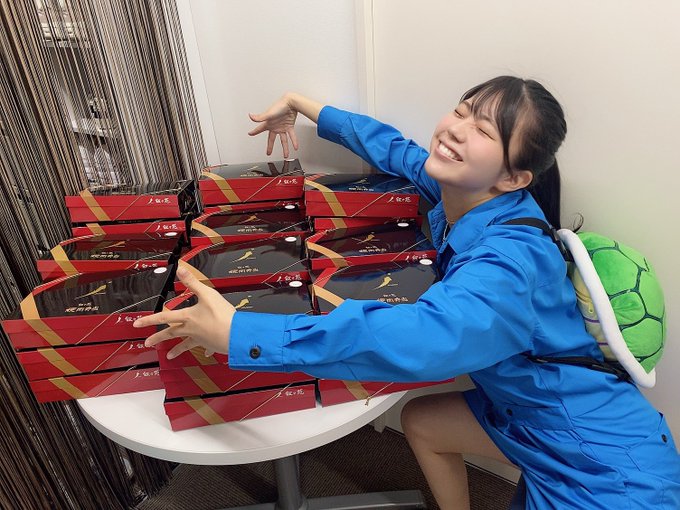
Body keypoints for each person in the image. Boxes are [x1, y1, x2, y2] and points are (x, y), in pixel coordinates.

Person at [134, 76, 680, 509]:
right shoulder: (464, 193)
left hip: (604, 472)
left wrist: (243, 333)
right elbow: (392, 148)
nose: (456, 130)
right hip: (531, 420)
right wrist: (302, 105)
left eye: (484, 131)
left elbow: (425, 336)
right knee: (423, 422)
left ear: (515, 178)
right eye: (461, 111)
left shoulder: (511, 261)